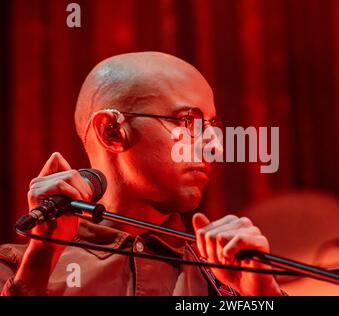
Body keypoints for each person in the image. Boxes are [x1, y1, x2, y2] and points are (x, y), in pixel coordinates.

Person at [0, 52, 284, 296]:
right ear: (111, 131)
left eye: (212, 125)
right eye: (189, 121)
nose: (216, 147)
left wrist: (261, 298)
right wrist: (41, 259)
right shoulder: (15, 267)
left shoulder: (227, 273)